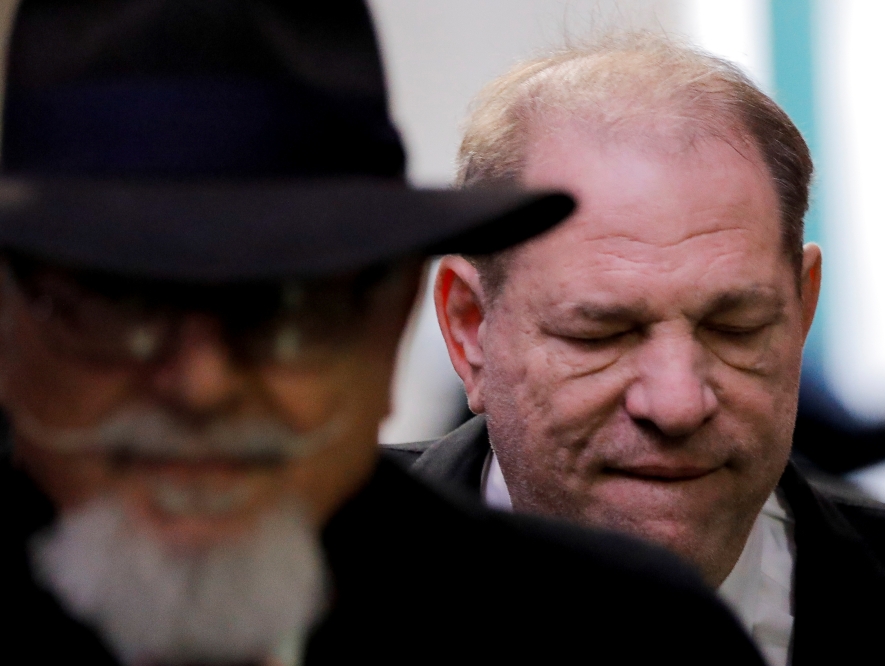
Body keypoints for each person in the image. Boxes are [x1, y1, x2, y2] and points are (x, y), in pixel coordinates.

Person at [0, 5, 765, 665]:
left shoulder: (625, 640)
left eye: (285, 310)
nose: (201, 384)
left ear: (390, 322)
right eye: (118, 306)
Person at [387, 35, 885, 665]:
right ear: (470, 330)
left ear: (801, 312)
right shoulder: (307, 579)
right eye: (602, 334)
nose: (678, 403)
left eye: (736, 327)